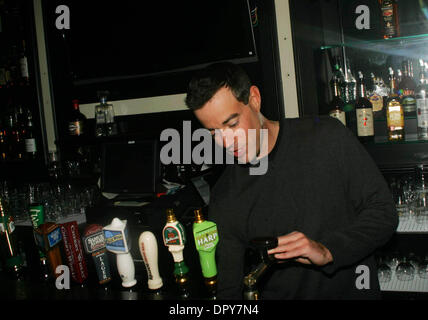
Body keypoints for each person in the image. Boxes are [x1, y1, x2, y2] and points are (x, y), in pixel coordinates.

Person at [184, 62, 398, 299]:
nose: (225, 141)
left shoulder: (326, 137)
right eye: (213, 132)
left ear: (254, 99)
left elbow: (383, 213)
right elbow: (229, 289)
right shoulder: (226, 195)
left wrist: (328, 251)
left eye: (232, 124)